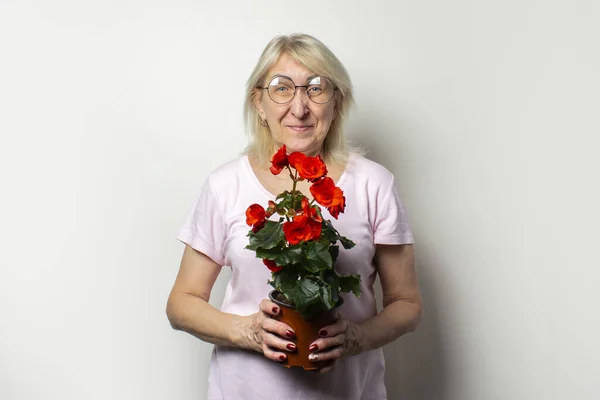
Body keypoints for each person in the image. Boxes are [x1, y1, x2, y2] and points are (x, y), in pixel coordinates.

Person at [166, 33, 423, 400]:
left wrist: (356, 337)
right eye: (281, 88)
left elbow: (408, 304)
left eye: (317, 89)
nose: (299, 107)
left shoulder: (374, 184)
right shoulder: (225, 185)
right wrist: (247, 332)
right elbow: (181, 303)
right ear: (259, 102)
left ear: (338, 102)